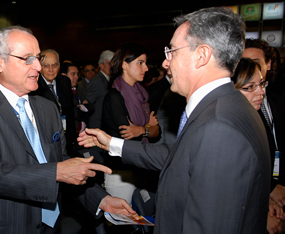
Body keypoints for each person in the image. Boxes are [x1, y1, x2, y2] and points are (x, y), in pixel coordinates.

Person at [79, 7, 271, 233]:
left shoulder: (219, 126)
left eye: (172, 52)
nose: (165, 63)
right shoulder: (223, 107)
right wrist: (111, 143)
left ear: (202, 55)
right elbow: (176, 157)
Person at [0, 26, 136, 234]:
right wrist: (57, 172)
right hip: (6, 225)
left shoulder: (47, 108)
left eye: (38, 58)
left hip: (51, 224)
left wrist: (101, 199)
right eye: (27, 58)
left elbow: (62, 165)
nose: (38, 67)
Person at [231, 58, 285, 234]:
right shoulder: (227, 130)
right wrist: (262, 214)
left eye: (261, 84)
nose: (261, 92)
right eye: (249, 87)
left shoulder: (253, 120)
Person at [101, 42, 159, 204]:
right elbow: (127, 136)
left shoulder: (142, 94)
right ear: (124, 65)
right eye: (140, 63)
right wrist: (147, 127)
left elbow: (157, 132)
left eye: (145, 63)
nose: (146, 68)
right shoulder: (114, 96)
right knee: (122, 223)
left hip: (142, 168)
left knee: (142, 219)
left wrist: (142, 130)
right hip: (121, 172)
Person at [243, 39, 285, 226]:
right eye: (245, 61)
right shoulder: (239, 105)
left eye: (256, 61)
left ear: (268, 64)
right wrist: (269, 190)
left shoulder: (279, 98)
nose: (251, 66)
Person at [30, 49, 77, 157]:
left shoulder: (65, 81)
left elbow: (70, 112)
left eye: (54, 65)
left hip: (66, 137)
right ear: (39, 66)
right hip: (46, 140)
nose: (51, 69)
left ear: (59, 66)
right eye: (46, 65)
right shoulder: (33, 85)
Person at [86, 50, 114, 129]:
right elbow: (88, 106)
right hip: (98, 126)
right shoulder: (96, 81)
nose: (112, 66)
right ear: (101, 65)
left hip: (107, 125)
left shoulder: (111, 79)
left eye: (113, 63)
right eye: (109, 63)